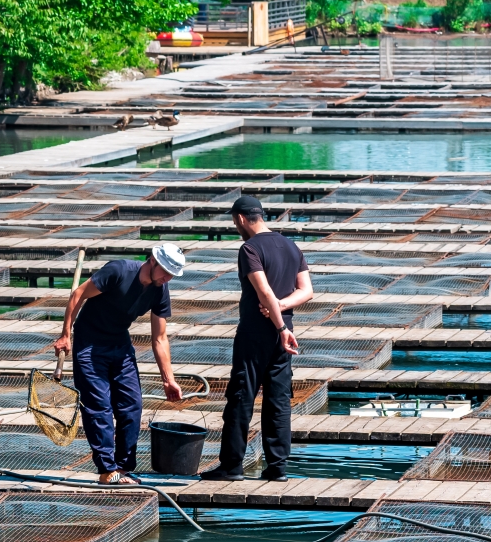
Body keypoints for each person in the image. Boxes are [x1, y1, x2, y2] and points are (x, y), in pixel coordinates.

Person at [201, 196, 313, 482]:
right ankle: (277, 468)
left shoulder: (249, 248)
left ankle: (232, 466)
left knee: (241, 398)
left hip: (257, 335)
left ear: (240, 219)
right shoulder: (290, 245)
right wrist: (283, 310)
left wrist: (277, 321)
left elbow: (263, 292)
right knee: (278, 400)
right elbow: (306, 291)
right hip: (284, 339)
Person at [53, 244, 186, 483]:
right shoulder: (119, 270)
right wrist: (65, 334)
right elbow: (78, 294)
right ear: (152, 261)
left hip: (120, 345)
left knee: (131, 405)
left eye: (172, 275)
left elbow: (160, 338)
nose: (167, 278)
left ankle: (122, 469)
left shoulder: (160, 289)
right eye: (165, 271)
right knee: (99, 406)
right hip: (90, 344)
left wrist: (169, 380)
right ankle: (106, 470)